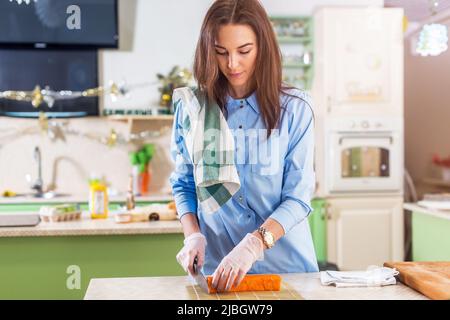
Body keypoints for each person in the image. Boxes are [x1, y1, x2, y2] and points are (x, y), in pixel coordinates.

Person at [170, 0, 318, 292]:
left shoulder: (296, 109)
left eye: (244, 51)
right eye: (221, 52)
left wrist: (255, 243)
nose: (232, 63)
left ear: (262, 47)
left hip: (287, 271)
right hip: (222, 273)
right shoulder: (193, 109)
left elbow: (298, 198)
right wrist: (193, 236)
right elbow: (184, 183)